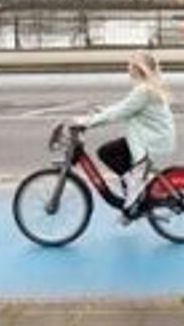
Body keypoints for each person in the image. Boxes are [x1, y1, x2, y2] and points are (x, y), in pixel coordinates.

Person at [75, 51, 177, 216]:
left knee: (107, 152)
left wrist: (88, 122)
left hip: (152, 141)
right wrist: (99, 114)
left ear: (138, 68)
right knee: (112, 152)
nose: (127, 68)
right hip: (151, 138)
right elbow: (123, 108)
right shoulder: (145, 88)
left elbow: (120, 112)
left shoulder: (143, 91)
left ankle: (134, 187)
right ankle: (134, 193)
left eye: (130, 65)